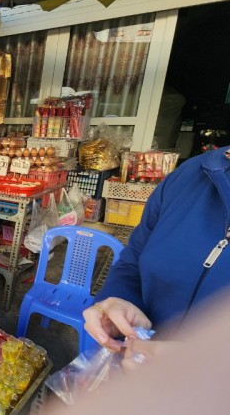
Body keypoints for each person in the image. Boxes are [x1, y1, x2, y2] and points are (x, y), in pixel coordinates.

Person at [84, 146, 230, 357]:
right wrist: (119, 299)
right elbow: (133, 261)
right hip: (132, 361)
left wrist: (208, 369)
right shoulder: (190, 175)